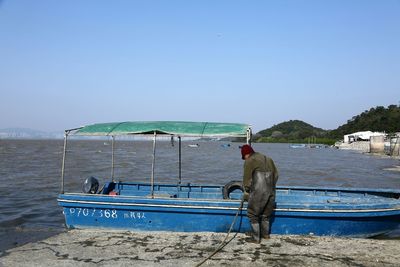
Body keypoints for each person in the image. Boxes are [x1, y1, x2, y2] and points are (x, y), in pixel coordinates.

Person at [241, 144, 278, 243]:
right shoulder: (268, 158)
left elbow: (247, 179)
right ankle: (265, 235)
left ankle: (255, 238)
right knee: (266, 214)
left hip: (259, 191)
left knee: (252, 214)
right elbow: (276, 175)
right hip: (271, 190)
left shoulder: (250, 160)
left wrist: (247, 192)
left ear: (246, 154)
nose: (244, 159)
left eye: (243, 157)